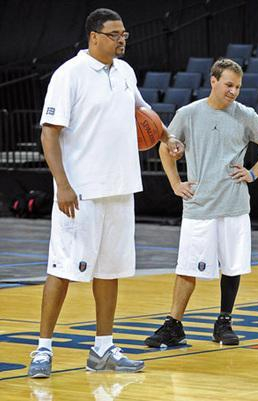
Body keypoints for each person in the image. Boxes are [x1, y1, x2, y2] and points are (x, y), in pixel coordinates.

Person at [28, 8, 184, 378]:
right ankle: (43, 349)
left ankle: (103, 348)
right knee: (62, 268)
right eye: (114, 34)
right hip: (81, 192)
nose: (121, 40)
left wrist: (167, 137)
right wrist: (63, 185)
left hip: (121, 187)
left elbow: (143, 111)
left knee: (110, 270)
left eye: (124, 34)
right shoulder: (69, 74)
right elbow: (49, 133)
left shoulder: (125, 72)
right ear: (94, 37)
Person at [144, 58, 258, 348]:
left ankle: (224, 322)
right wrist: (175, 183)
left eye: (238, 87)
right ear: (214, 81)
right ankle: (174, 324)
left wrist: (253, 173)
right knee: (187, 267)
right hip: (200, 205)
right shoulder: (188, 113)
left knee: (232, 266)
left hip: (234, 204)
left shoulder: (245, 115)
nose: (233, 91)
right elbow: (166, 147)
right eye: (229, 85)